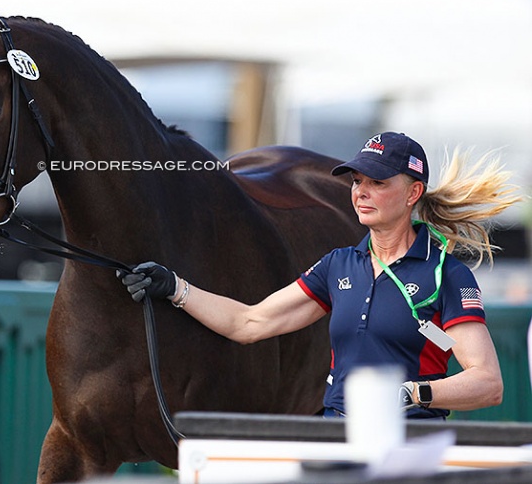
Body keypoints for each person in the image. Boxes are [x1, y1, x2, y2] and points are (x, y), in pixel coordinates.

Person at [118, 132, 522, 419]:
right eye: (357, 181)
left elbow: (488, 383)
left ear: (413, 193)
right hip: (335, 439)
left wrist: (411, 394)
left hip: (409, 446)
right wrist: (175, 288)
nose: (360, 192)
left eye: (377, 182)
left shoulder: (447, 274)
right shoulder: (338, 265)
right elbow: (250, 321)